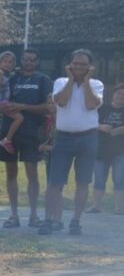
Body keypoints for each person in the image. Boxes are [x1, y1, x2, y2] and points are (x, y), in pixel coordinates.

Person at [40, 49, 104, 235]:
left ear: (90, 66)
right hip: (64, 137)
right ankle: (49, 219)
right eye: (75, 63)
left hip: (88, 137)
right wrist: (70, 78)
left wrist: (85, 81)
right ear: (70, 65)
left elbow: (91, 104)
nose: (79, 67)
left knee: (82, 181)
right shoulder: (60, 82)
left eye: (83, 64)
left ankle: (76, 219)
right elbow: (61, 101)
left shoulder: (96, 84)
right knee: (55, 182)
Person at [0, 48, 52, 229]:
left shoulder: (43, 80)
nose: (28, 62)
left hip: (31, 131)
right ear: (21, 60)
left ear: (37, 62)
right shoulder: (12, 78)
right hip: (9, 131)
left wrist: (23, 106)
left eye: (32, 60)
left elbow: (46, 107)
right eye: (26, 59)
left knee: (32, 174)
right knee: (11, 173)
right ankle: (14, 215)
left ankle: (34, 215)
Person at [87, 83, 124, 215]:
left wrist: (121, 130)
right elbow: (89, 123)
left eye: (123, 94)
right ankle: (95, 206)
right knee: (99, 178)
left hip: (120, 151)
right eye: (119, 93)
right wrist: (101, 127)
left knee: (120, 179)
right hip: (100, 150)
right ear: (113, 94)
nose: (121, 96)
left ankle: (119, 208)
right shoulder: (102, 108)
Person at [0, 51, 23, 153]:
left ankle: (7, 139)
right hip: (0, 102)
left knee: (19, 116)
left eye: (10, 62)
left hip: (5, 101)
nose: (7, 64)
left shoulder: (9, 74)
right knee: (19, 117)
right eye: (5, 62)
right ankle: (7, 139)